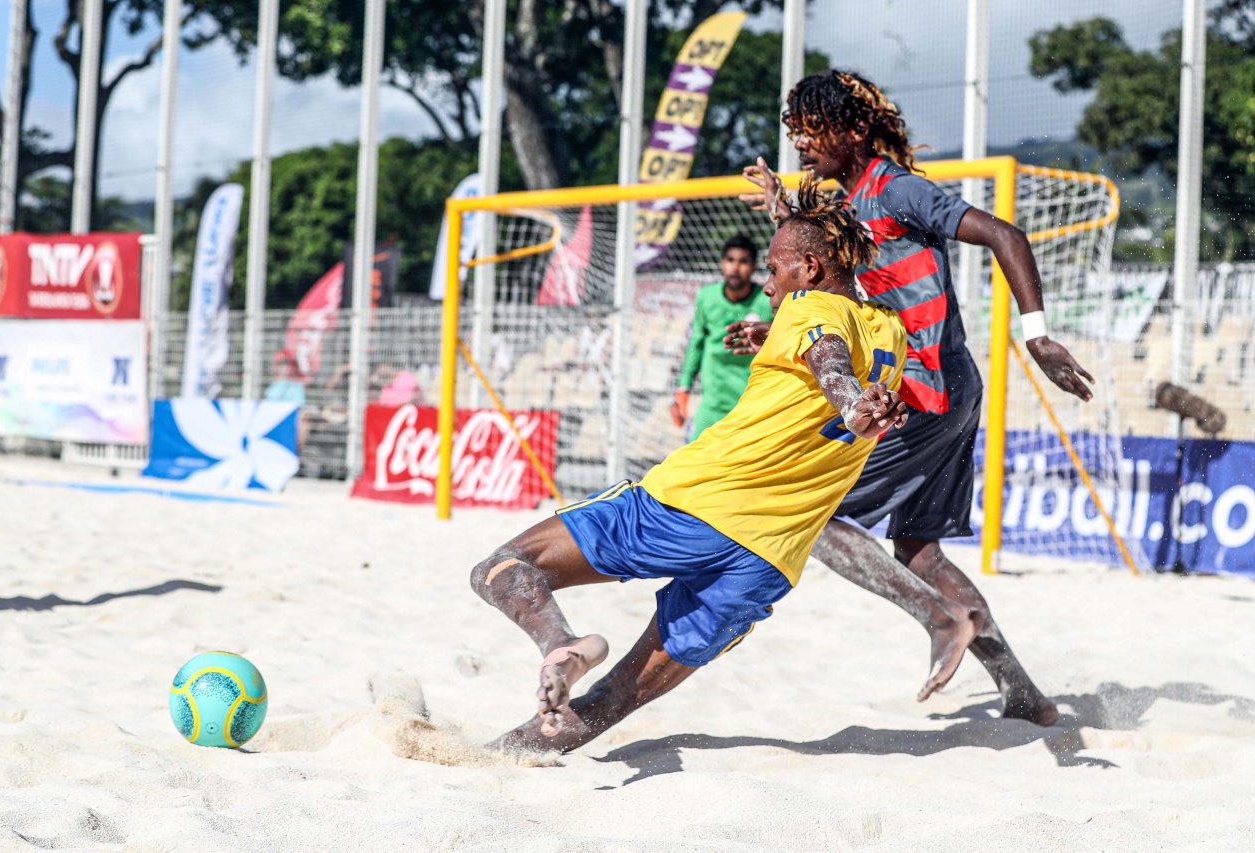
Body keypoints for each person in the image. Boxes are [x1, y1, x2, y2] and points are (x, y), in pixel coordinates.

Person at [470, 182, 983, 754]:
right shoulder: (890, 329)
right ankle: (497, 759)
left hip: (689, 507)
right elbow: (837, 351)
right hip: (766, 562)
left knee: (500, 567)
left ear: (810, 269)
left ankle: (560, 645)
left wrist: (848, 402)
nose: (767, 283)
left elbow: (830, 360)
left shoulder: (807, 309)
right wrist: (842, 393)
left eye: (775, 269)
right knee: (617, 699)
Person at [733, 70, 1097, 726]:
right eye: (797, 134)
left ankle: (940, 620)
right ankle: (1024, 693)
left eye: (812, 131)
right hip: (942, 388)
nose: (801, 144)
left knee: (813, 511)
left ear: (854, 130)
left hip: (927, 391)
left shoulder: (896, 190)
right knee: (918, 551)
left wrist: (1037, 336)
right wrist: (786, 224)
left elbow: (1007, 235)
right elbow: (854, 295)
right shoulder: (849, 206)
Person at [671, 234, 775, 441]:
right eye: (730, 260)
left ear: (754, 267)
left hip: (752, 405)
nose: (735, 268)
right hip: (712, 405)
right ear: (721, 264)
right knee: (692, 457)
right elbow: (696, 342)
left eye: (743, 261)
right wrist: (684, 387)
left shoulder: (767, 301)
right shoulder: (706, 297)